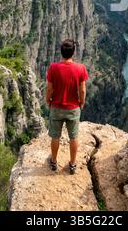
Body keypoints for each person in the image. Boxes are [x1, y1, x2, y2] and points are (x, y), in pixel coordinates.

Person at [45, 39, 88, 175]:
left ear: (61, 52)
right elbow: (82, 90)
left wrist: (48, 101)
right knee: (73, 137)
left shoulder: (53, 67)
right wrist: (81, 102)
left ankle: (53, 162)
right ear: (73, 52)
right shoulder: (80, 68)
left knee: (55, 137)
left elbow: (49, 89)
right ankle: (73, 164)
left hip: (56, 107)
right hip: (73, 108)